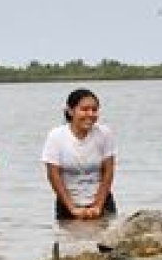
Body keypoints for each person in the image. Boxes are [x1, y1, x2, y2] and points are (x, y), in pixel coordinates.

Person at [42, 88, 117, 220]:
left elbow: (108, 172)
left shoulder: (104, 133)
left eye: (94, 110)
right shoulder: (56, 136)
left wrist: (98, 206)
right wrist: (72, 208)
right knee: (69, 239)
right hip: (67, 203)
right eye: (84, 109)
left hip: (102, 200)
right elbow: (53, 175)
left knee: (106, 238)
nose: (90, 114)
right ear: (71, 111)